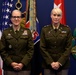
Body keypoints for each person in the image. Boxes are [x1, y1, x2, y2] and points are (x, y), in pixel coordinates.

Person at [0, 9, 34, 75]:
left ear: (21, 18)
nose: (16, 19)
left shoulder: (28, 32)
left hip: (24, 68)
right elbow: (2, 50)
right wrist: (11, 63)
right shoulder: (5, 32)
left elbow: (31, 50)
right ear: (11, 19)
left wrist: (22, 63)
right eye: (14, 17)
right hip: (9, 68)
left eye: (18, 17)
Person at [40, 8, 72, 75]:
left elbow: (68, 48)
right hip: (48, 64)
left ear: (61, 17)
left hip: (63, 65)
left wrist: (59, 62)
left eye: (58, 15)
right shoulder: (45, 30)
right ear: (51, 16)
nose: (56, 17)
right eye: (54, 15)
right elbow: (42, 47)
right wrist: (51, 62)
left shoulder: (67, 30)